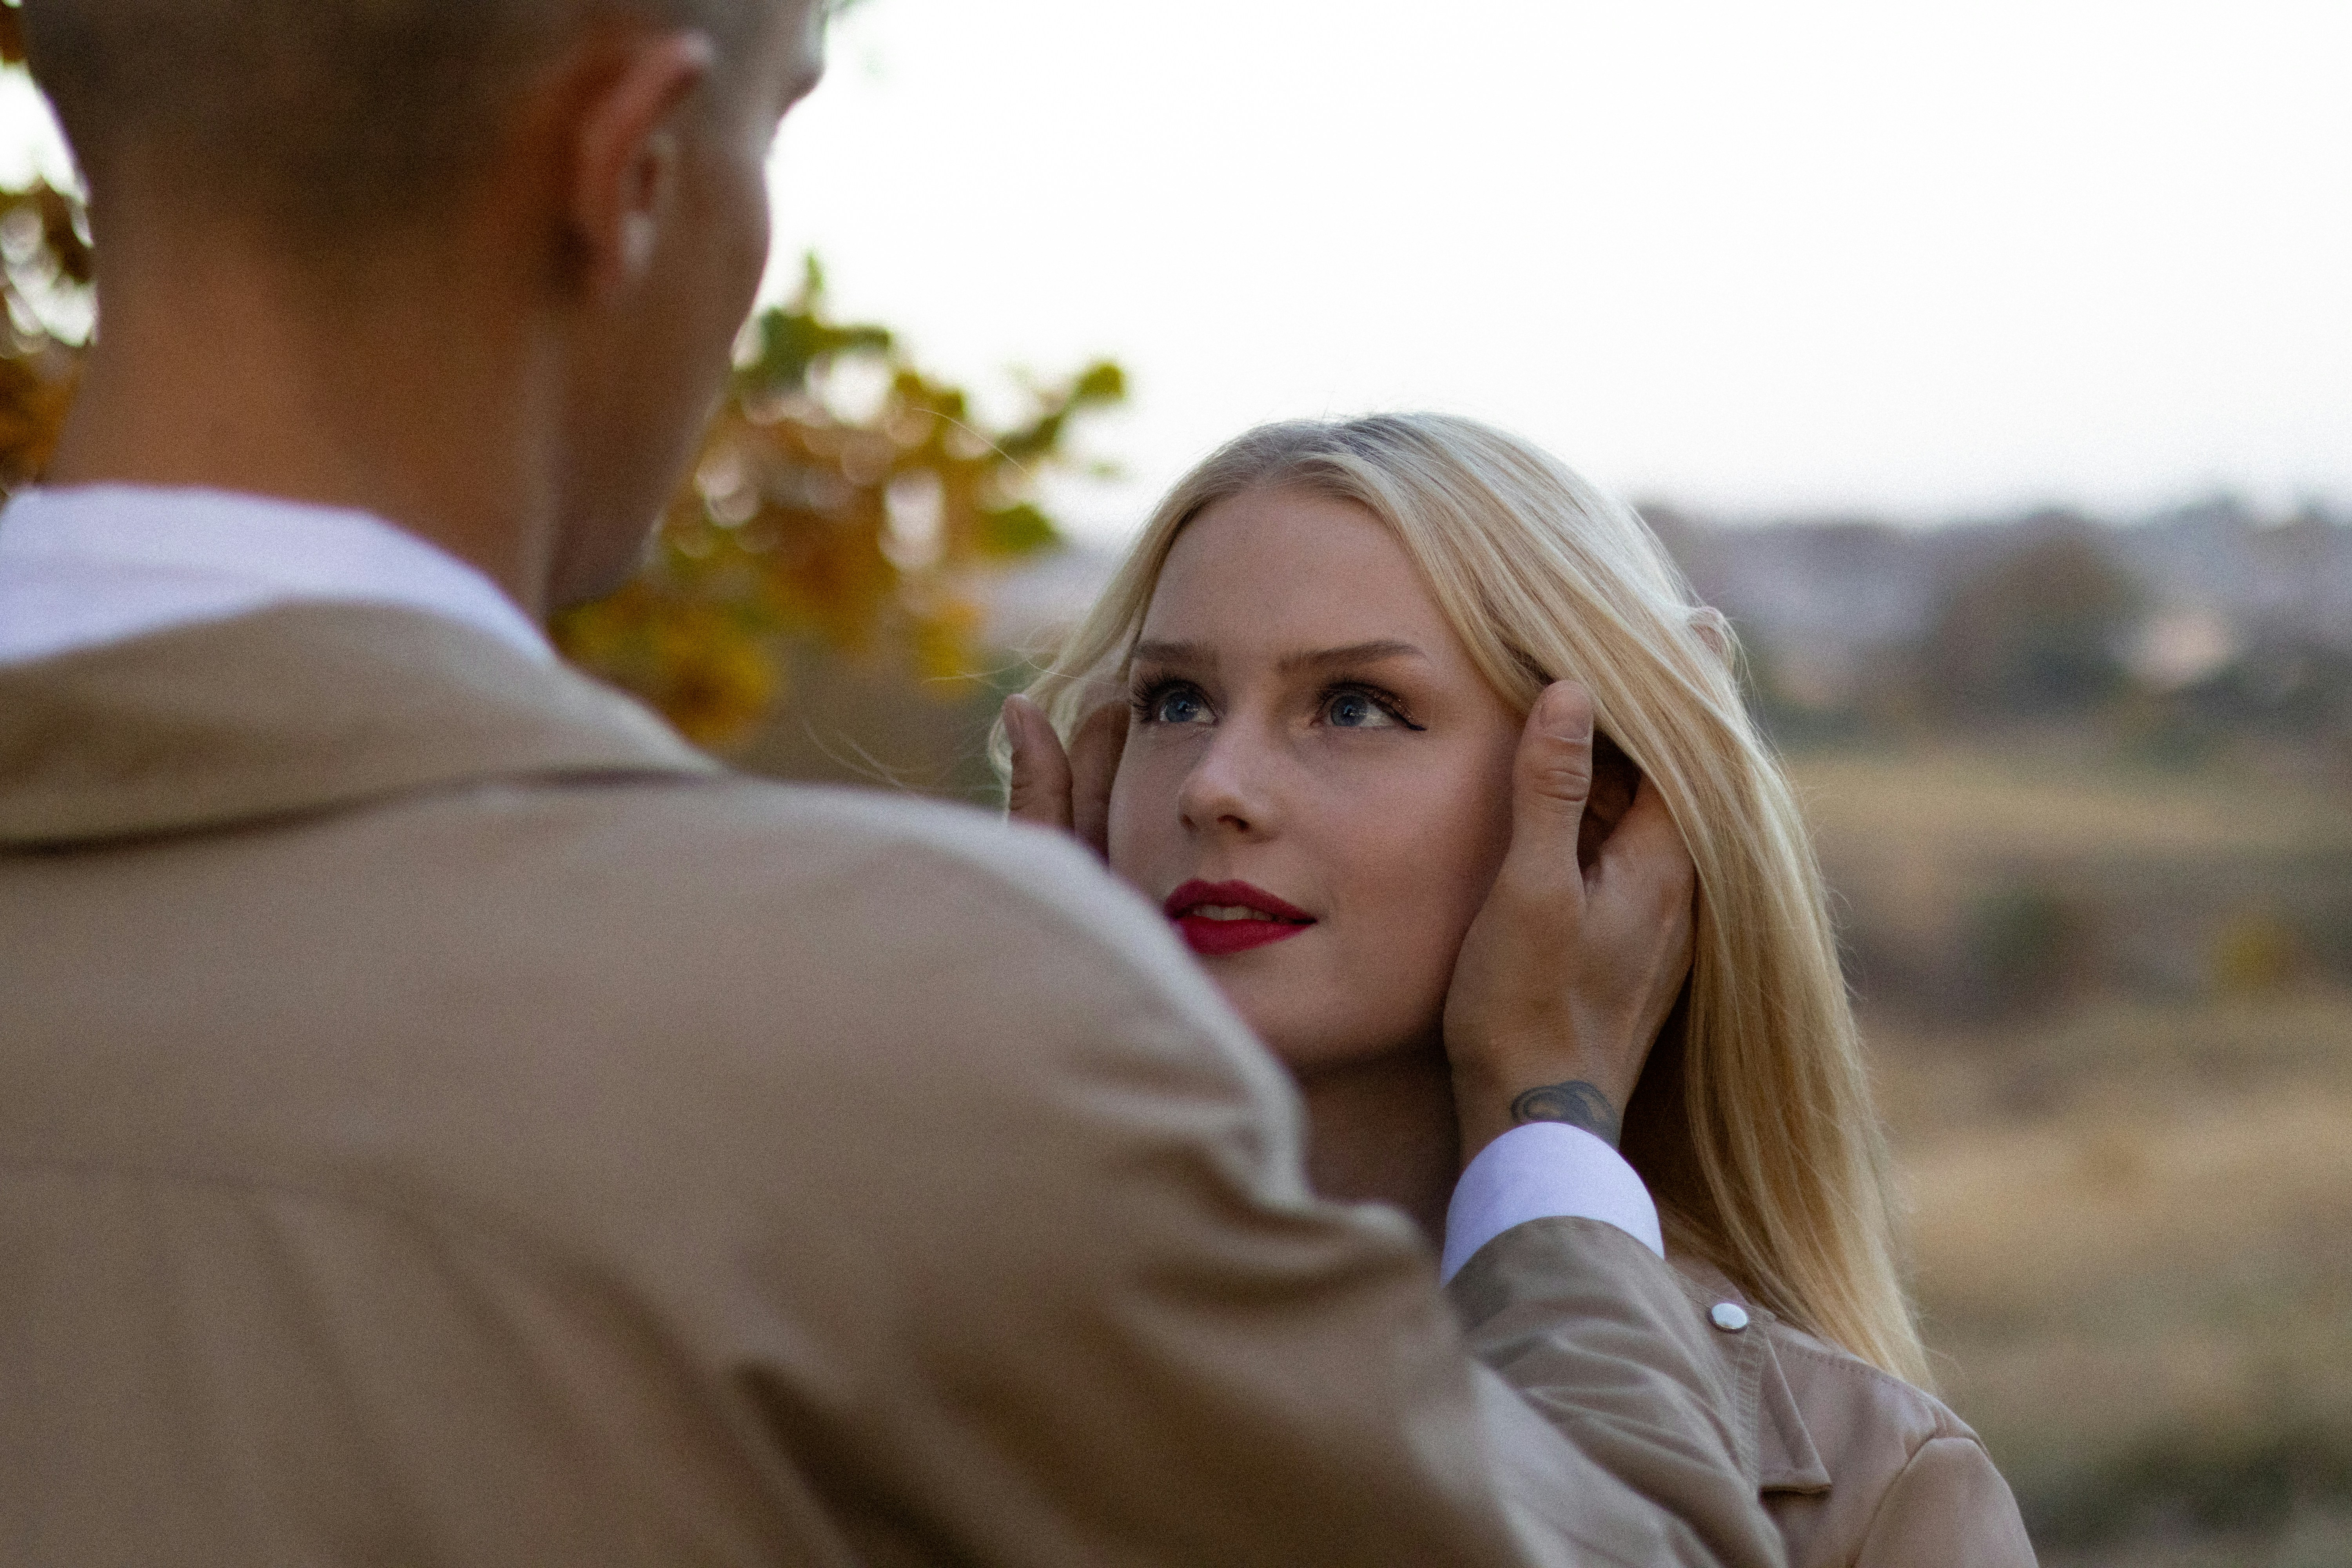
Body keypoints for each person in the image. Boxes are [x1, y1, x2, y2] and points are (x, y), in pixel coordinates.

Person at [0, 3, 1790, 1564]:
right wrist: (1549, 1127)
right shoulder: (887, 1029)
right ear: (626, 169)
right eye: (772, 127)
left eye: (1354, 710)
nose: (1225, 783)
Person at [1002, 413, 2041, 1568]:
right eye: (1174, 703)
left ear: (1604, 812)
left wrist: (1538, 1116)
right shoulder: (915, 1368)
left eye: (1354, 707)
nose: (1215, 786)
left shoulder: (1873, 1497)